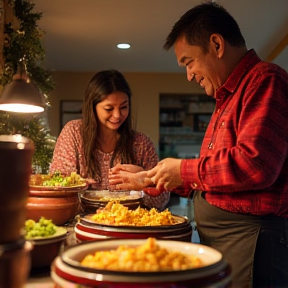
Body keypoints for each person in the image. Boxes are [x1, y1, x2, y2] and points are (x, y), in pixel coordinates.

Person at [108, 2, 288, 288]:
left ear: (216, 44)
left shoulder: (265, 80)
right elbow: (212, 177)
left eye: (189, 62)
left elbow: (255, 165)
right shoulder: (227, 96)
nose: (189, 75)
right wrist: (150, 176)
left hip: (250, 241)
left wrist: (183, 171)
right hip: (229, 239)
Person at [50, 69, 170, 211]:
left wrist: (145, 181)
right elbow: (57, 189)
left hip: (128, 224)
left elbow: (162, 200)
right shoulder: (74, 133)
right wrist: (78, 184)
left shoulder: (141, 143)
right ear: (92, 107)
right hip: (82, 224)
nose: (117, 115)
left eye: (124, 107)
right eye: (108, 108)